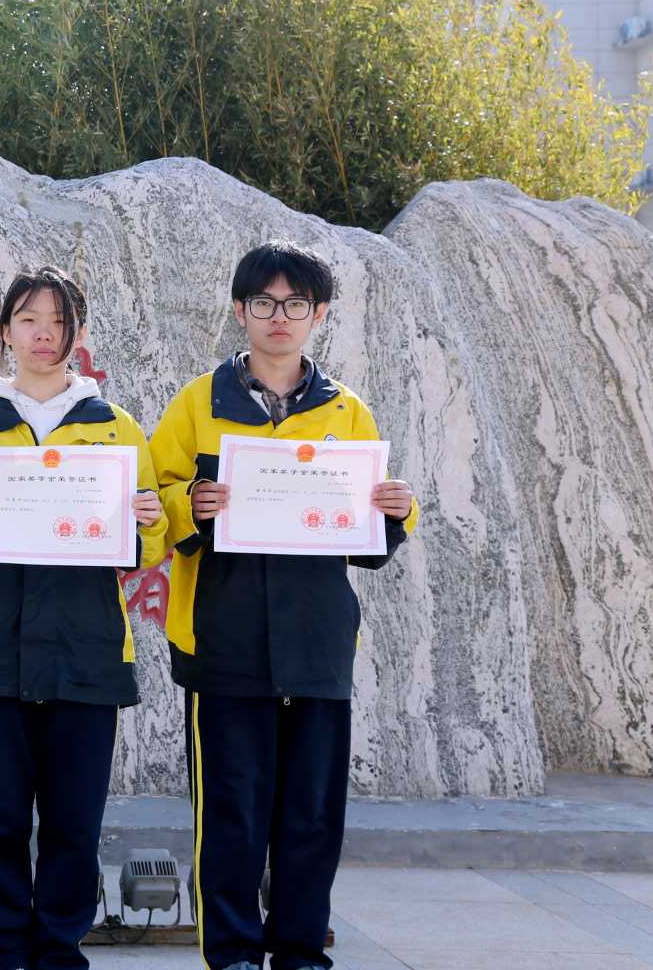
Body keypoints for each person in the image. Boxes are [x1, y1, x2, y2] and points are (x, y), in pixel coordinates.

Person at [148, 241, 419, 970]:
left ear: (318, 314)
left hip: (316, 641)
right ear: (240, 310)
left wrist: (398, 508)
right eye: (264, 302)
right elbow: (150, 499)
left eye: (296, 303)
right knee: (230, 811)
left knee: (311, 813)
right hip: (222, 639)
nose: (279, 316)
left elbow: (371, 528)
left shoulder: (347, 411)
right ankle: (234, 954)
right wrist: (188, 503)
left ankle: (301, 952)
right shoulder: (197, 403)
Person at [0, 266, 167, 970]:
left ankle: (59, 953)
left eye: (59, 321)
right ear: (5, 331)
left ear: (79, 334)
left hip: (87, 653)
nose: (44, 334)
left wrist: (149, 519)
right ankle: (1, 954)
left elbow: (147, 547)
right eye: (28, 319)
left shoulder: (115, 426)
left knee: (73, 825)